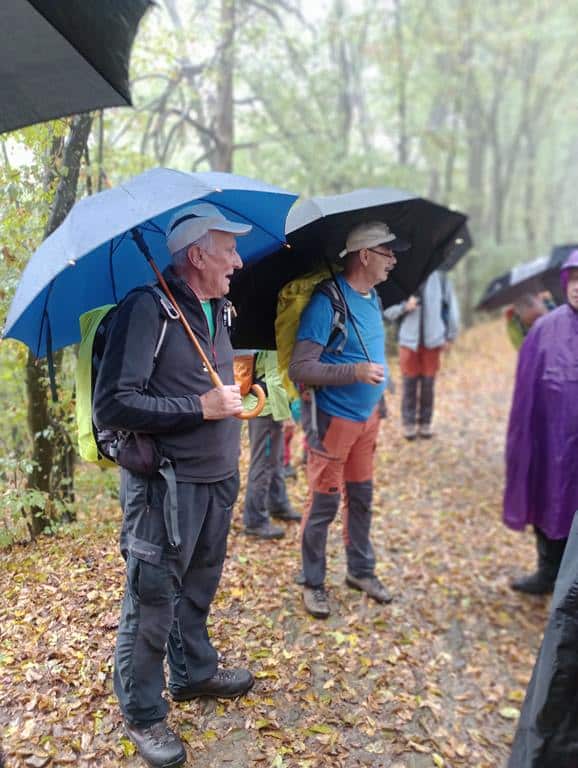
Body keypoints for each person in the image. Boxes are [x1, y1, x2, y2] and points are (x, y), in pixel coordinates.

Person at [93, 203, 255, 768]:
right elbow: (114, 403)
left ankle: (193, 673)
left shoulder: (219, 309)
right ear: (197, 256)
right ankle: (143, 712)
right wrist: (199, 406)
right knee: (153, 598)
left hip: (217, 478)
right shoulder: (147, 309)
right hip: (165, 487)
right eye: (228, 250)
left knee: (199, 585)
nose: (238, 261)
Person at [289, 221, 409, 619]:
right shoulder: (327, 302)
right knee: (323, 504)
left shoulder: (373, 297)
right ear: (365, 255)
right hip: (333, 422)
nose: (393, 260)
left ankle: (360, 571)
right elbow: (300, 368)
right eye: (387, 253)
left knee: (361, 497)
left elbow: (372, 351)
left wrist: (380, 399)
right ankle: (312, 582)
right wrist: (355, 373)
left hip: (368, 420)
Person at [503, 249, 578, 595]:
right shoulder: (545, 329)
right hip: (550, 439)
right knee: (548, 497)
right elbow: (526, 394)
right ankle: (548, 572)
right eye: (573, 279)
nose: (577, 287)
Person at [383, 270, 460, 439]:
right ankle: (409, 424)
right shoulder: (404, 278)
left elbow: (452, 308)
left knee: (428, 385)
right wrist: (404, 306)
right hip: (408, 341)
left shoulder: (441, 278)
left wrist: (450, 335)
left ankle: (425, 423)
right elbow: (387, 311)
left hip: (433, 341)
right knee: (409, 385)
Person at [242, 350, 301, 539]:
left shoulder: (269, 336)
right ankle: (255, 520)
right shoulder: (269, 337)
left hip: (267, 403)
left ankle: (278, 503)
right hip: (266, 406)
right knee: (263, 464)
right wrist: (286, 414)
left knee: (275, 459)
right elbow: (273, 377)